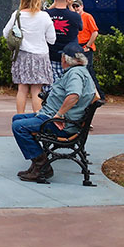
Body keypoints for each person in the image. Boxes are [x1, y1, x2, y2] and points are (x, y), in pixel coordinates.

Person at [11, 43, 96, 182]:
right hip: (55, 117)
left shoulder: (75, 74)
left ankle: (42, 166)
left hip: (60, 123)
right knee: (17, 118)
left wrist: (59, 115)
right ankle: (37, 162)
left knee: (19, 127)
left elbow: (74, 95)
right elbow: (95, 96)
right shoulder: (82, 71)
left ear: (65, 59)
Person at [3, 0, 56, 114]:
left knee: (22, 89)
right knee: (36, 90)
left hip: (22, 55)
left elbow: (5, 33)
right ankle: (37, 118)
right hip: (40, 56)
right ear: (38, 0)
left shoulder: (17, 15)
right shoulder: (44, 16)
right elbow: (52, 39)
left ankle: (19, 117)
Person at [45, 0, 82, 82]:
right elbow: (80, 27)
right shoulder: (75, 16)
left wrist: (54, 4)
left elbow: (43, 14)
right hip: (69, 57)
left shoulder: (46, 14)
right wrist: (70, 6)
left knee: (52, 85)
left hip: (51, 55)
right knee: (70, 84)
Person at [72, 0, 102, 95]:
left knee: (88, 71)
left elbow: (95, 32)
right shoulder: (74, 18)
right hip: (77, 47)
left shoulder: (87, 17)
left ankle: (98, 95)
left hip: (85, 47)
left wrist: (88, 46)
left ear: (82, 6)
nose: (76, 8)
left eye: (77, 6)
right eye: (74, 6)